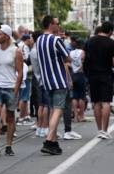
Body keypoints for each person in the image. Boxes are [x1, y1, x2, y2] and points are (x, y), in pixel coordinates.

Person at [36, 16, 71, 155]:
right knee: (58, 109)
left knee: (52, 109)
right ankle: (49, 140)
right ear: (51, 25)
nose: (59, 26)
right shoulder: (56, 40)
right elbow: (67, 57)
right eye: (57, 23)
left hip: (46, 80)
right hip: (59, 79)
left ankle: (54, 141)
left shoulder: (39, 40)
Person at [0, 25, 23, 156]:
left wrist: (16, 89)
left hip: (11, 87)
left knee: (10, 117)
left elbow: (20, 72)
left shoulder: (16, 51)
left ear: (7, 36)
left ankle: (9, 145)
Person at [84, 22, 114, 139]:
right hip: (106, 75)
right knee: (106, 102)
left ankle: (99, 129)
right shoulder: (112, 43)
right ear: (110, 31)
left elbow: (82, 57)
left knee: (96, 102)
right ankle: (105, 130)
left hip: (92, 75)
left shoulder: (89, 41)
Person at [68, 37, 87, 123]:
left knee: (75, 96)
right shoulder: (83, 52)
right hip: (81, 75)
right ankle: (81, 115)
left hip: (73, 74)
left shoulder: (71, 52)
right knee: (82, 96)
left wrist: (73, 67)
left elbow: (68, 62)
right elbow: (83, 63)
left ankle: (75, 116)